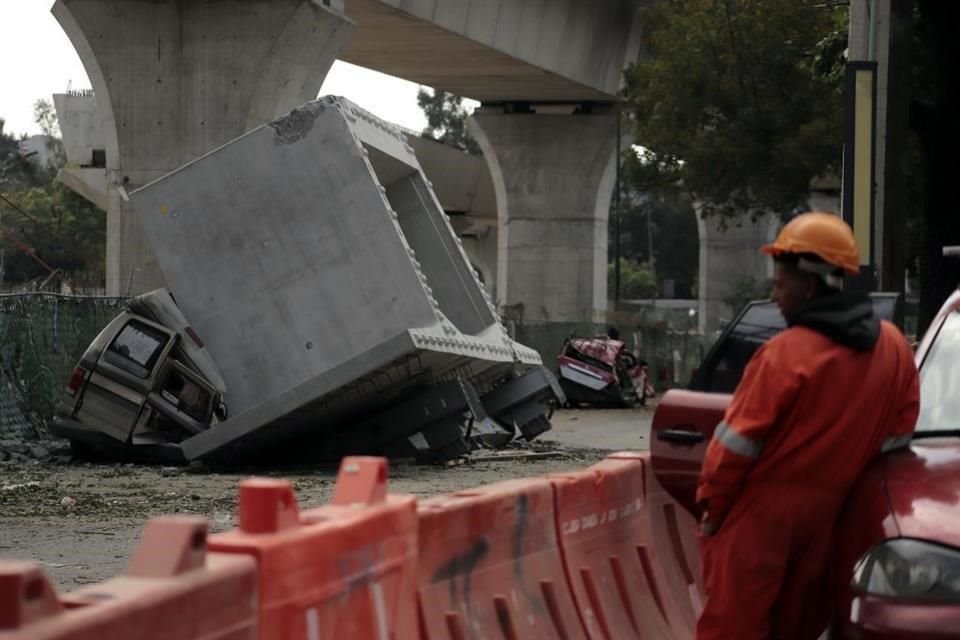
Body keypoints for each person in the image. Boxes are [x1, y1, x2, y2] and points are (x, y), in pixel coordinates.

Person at [695, 212, 920, 640]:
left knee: (732, 627)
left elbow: (735, 445)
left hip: (760, 518)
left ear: (810, 285)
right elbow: (898, 441)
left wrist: (713, 509)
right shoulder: (893, 348)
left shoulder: (783, 355)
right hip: (831, 521)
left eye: (780, 285)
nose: (775, 296)